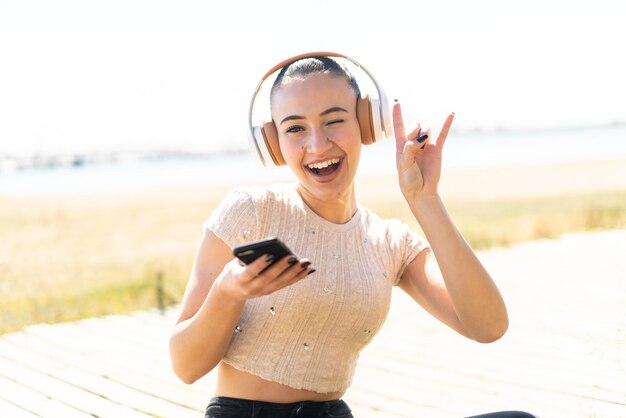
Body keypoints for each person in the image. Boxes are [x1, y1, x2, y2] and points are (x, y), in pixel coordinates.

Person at [169, 53, 536, 418]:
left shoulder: (389, 241)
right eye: (295, 128)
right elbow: (185, 367)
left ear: (366, 124)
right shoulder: (251, 210)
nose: (317, 144)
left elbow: (488, 326)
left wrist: (425, 199)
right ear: (272, 141)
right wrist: (227, 292)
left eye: (334, 121)